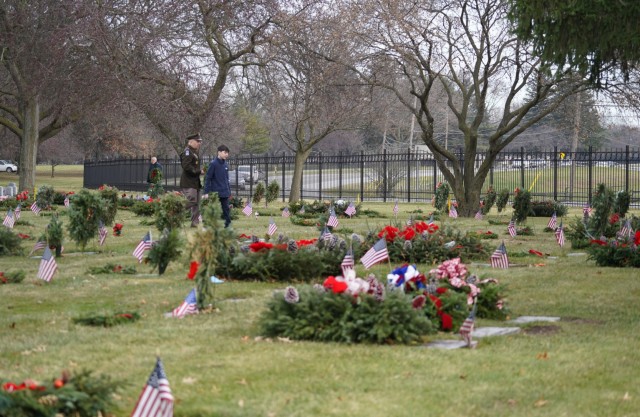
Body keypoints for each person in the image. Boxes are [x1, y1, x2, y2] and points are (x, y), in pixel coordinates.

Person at [204, 144, 231, 228]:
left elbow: (227, 179)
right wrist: (206, 192)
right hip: (215, 192)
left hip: (225, 192)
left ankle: (228, 225)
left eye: (227, 153)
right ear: (219, 152)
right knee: (213, 210)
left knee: (226, 209)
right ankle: (209, 225)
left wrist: (229, 191)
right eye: (225, 152)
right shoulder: (213, 164)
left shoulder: (225, 164)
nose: (226, 154)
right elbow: (208, 178)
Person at [180, 133, 204, 227]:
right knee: (191, 201)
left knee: (197, 204)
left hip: (195, 182)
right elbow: (186, 167)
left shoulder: (193, 152)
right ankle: (175, 212)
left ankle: (195, 223)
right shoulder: (187, 152)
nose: (199, 143)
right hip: (188, 182)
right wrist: (199, 171)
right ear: (191, 142)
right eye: (198, 141)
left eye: (200, 141)